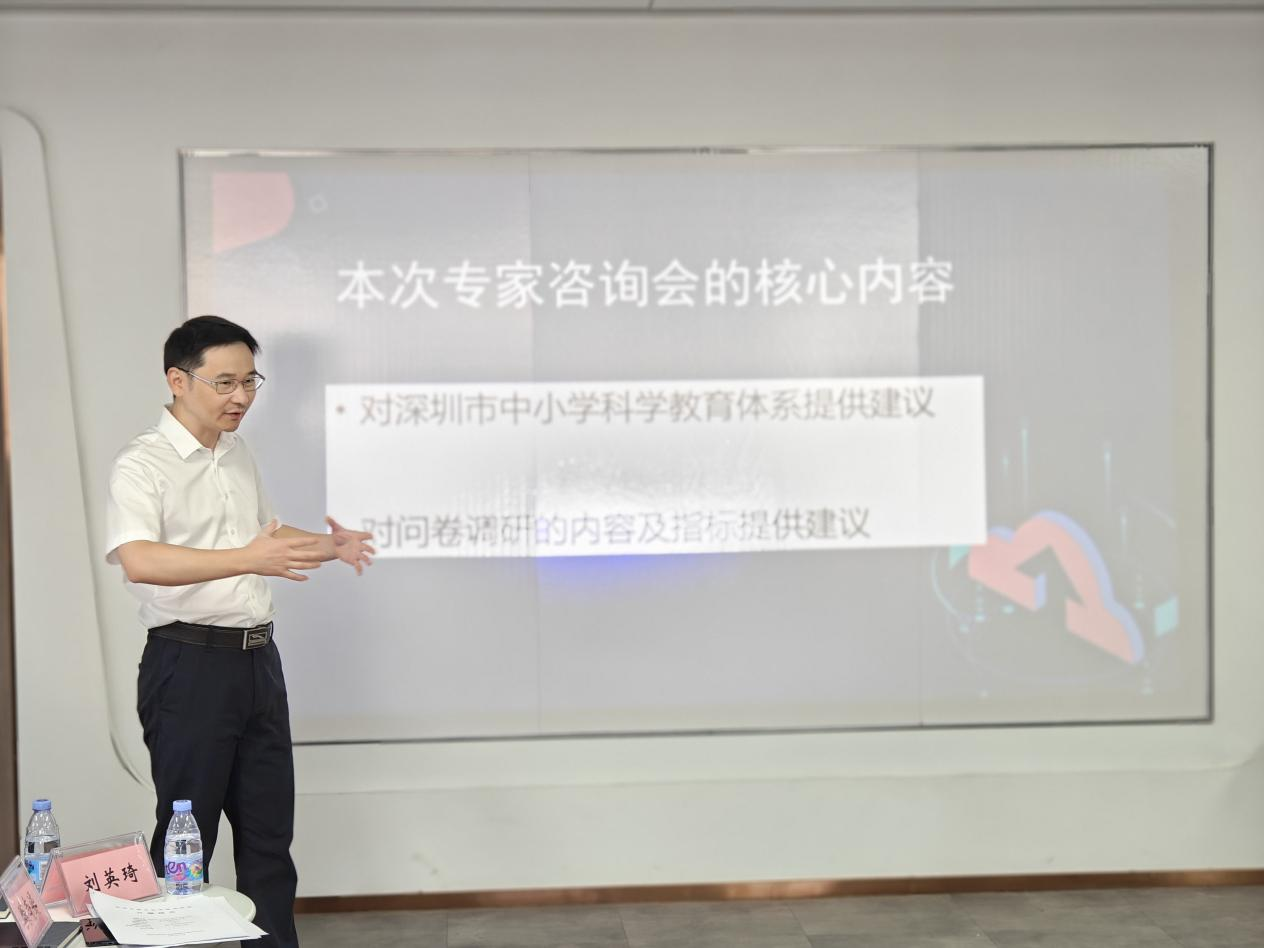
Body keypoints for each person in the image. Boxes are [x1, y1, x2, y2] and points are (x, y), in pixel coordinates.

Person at [104, 315, 373, 948]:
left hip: (257, 663)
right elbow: (139, 558)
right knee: (186, 841)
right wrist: (247, 559)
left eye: (250, 381)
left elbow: (264, 537)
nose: (242, 397)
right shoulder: (143, 463)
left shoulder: (236, 453)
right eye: (225, 382)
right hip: (188, 664)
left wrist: (329, 545)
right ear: (178, 380)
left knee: (269, 838)